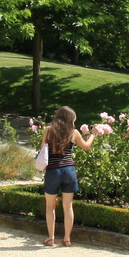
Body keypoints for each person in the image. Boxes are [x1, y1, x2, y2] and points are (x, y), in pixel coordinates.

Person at [41, 106, 94, 247]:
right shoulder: (74, 132)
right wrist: (93, 134)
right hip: (69, 170)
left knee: (50, 206)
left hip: (53, 171)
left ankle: (51, 238)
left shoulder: (49, 130)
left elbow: (42, 151)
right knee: (68, 206)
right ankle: (67, 238)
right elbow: (86, 147)